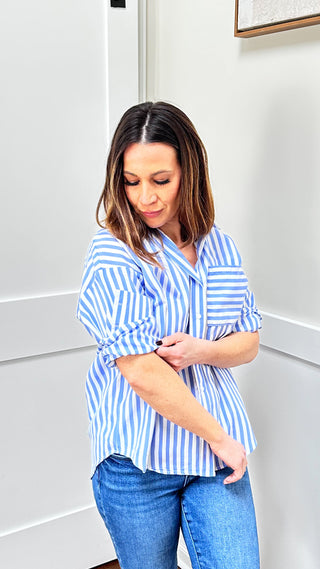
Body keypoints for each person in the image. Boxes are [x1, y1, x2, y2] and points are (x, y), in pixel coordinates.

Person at [77, 101, 262, 569]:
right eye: (131, 181)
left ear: (189, 172)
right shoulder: (114, 252)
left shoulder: (220, 246)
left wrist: (202, 349)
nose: (145, 198)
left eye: (161, 180)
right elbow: (140, 371)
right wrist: (220, 438)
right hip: (139, 463)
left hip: (214, 457)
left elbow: (249, 341)